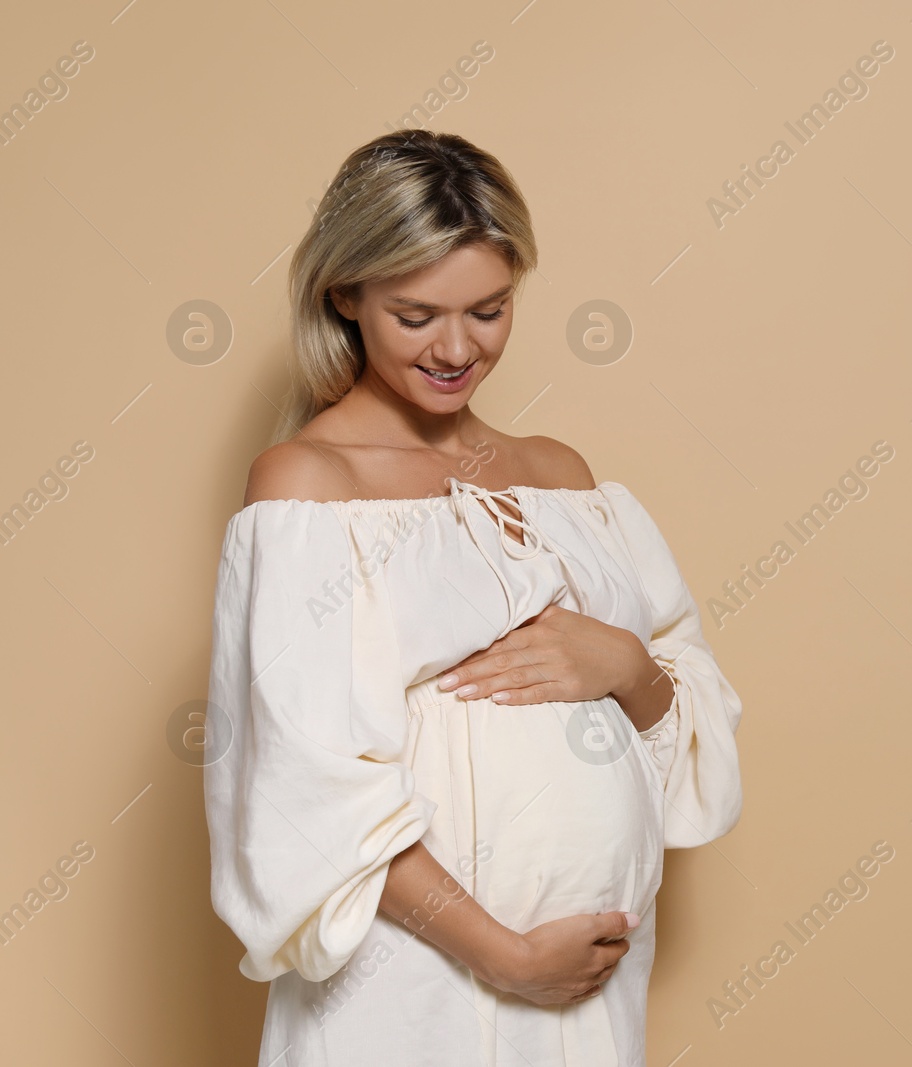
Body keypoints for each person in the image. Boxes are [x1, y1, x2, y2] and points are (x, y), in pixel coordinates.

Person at [202, 129, 744, 1066]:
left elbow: (692, 721)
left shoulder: (566, 482)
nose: (458, 348)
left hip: (587, 988)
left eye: (489, 310)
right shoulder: (307, 489)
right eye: (417, 316)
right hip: (408, 987)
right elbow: (305, 787)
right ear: (346, 296)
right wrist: (507, 954)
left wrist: (626, 665)